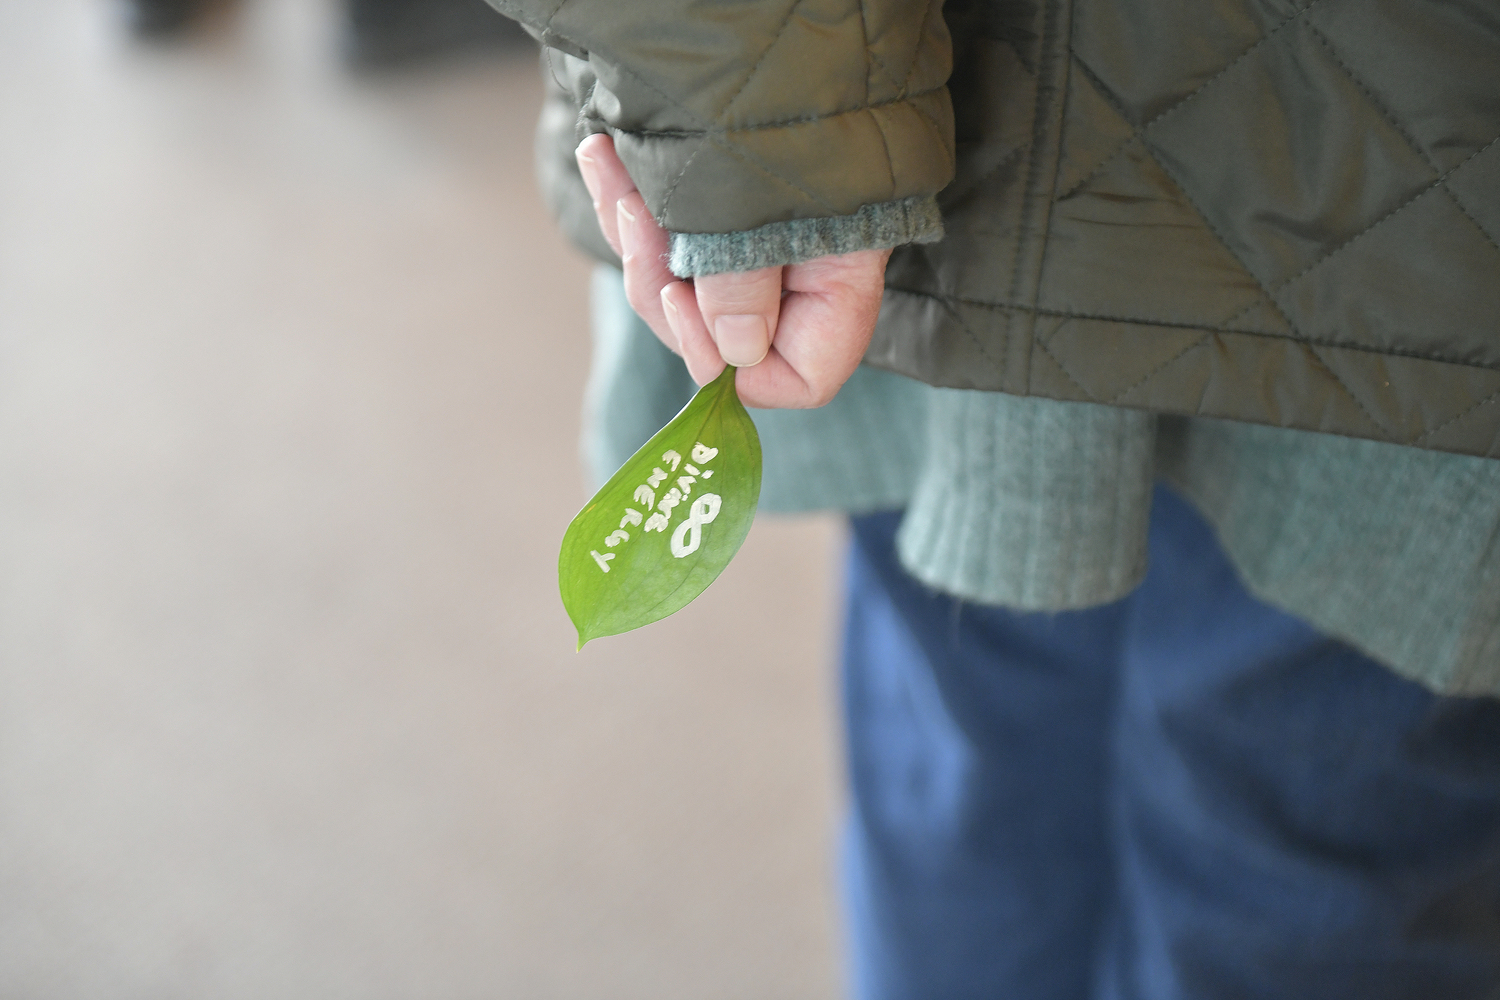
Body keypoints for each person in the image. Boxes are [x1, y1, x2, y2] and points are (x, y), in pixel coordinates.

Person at [494, 1, 1500, 996]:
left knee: (999, 781)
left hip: (910, 165)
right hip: (1371, 209)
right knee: (1281, 856)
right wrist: (756, 134)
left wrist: (751, 128)